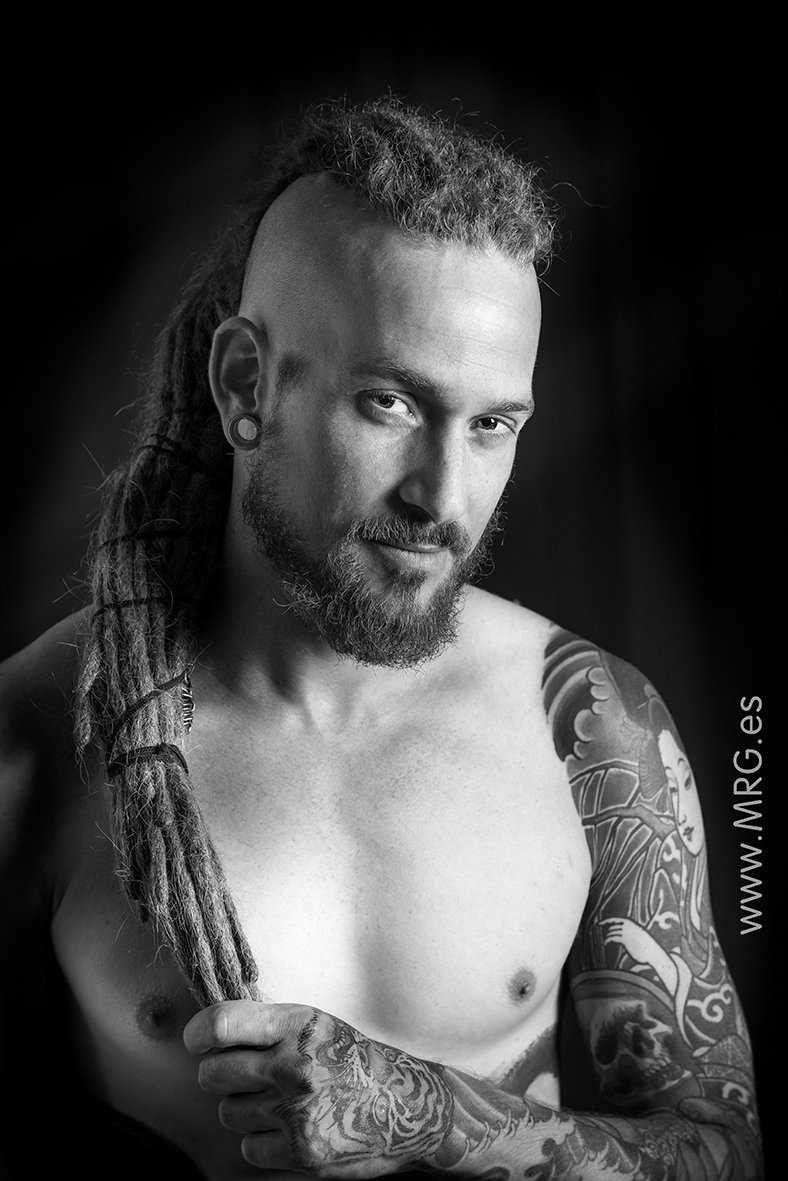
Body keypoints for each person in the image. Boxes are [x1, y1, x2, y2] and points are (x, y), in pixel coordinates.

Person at [0, 97, 762, 1180]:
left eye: (491, 424)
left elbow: (724, 1154)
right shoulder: (35, 737)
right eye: (391, 403)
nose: (443, 499)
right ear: (244, 384)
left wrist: (428, 1114)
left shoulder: (594, 728)